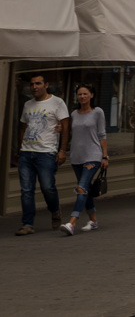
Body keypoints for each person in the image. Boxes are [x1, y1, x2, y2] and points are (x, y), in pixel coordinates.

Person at [16, 73, 69, 235]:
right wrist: (21, 148)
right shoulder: (28, 104)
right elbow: (23, 127)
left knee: (47, 187)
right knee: (26, 190)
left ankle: (55, 210)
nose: (34, 87)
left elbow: (66, 127)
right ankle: (27, 224)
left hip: (46, 153)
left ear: (46, 85)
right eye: (32, 84)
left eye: (38, 83)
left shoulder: (57, 102)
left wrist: (62, 150)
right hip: (26, 153)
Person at [59, 83, 108, 236]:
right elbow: (70, 133)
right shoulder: (74, 114)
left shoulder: (97, 112)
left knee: (81, 188)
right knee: (85, 188)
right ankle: (93, 221)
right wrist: (60, 129)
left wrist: (105, 156)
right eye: (79, 94)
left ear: (91, 95)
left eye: (85, 93)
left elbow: (102, 135)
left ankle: (72, 222)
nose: (82, 96)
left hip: (93, 156)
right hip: (76, 157)